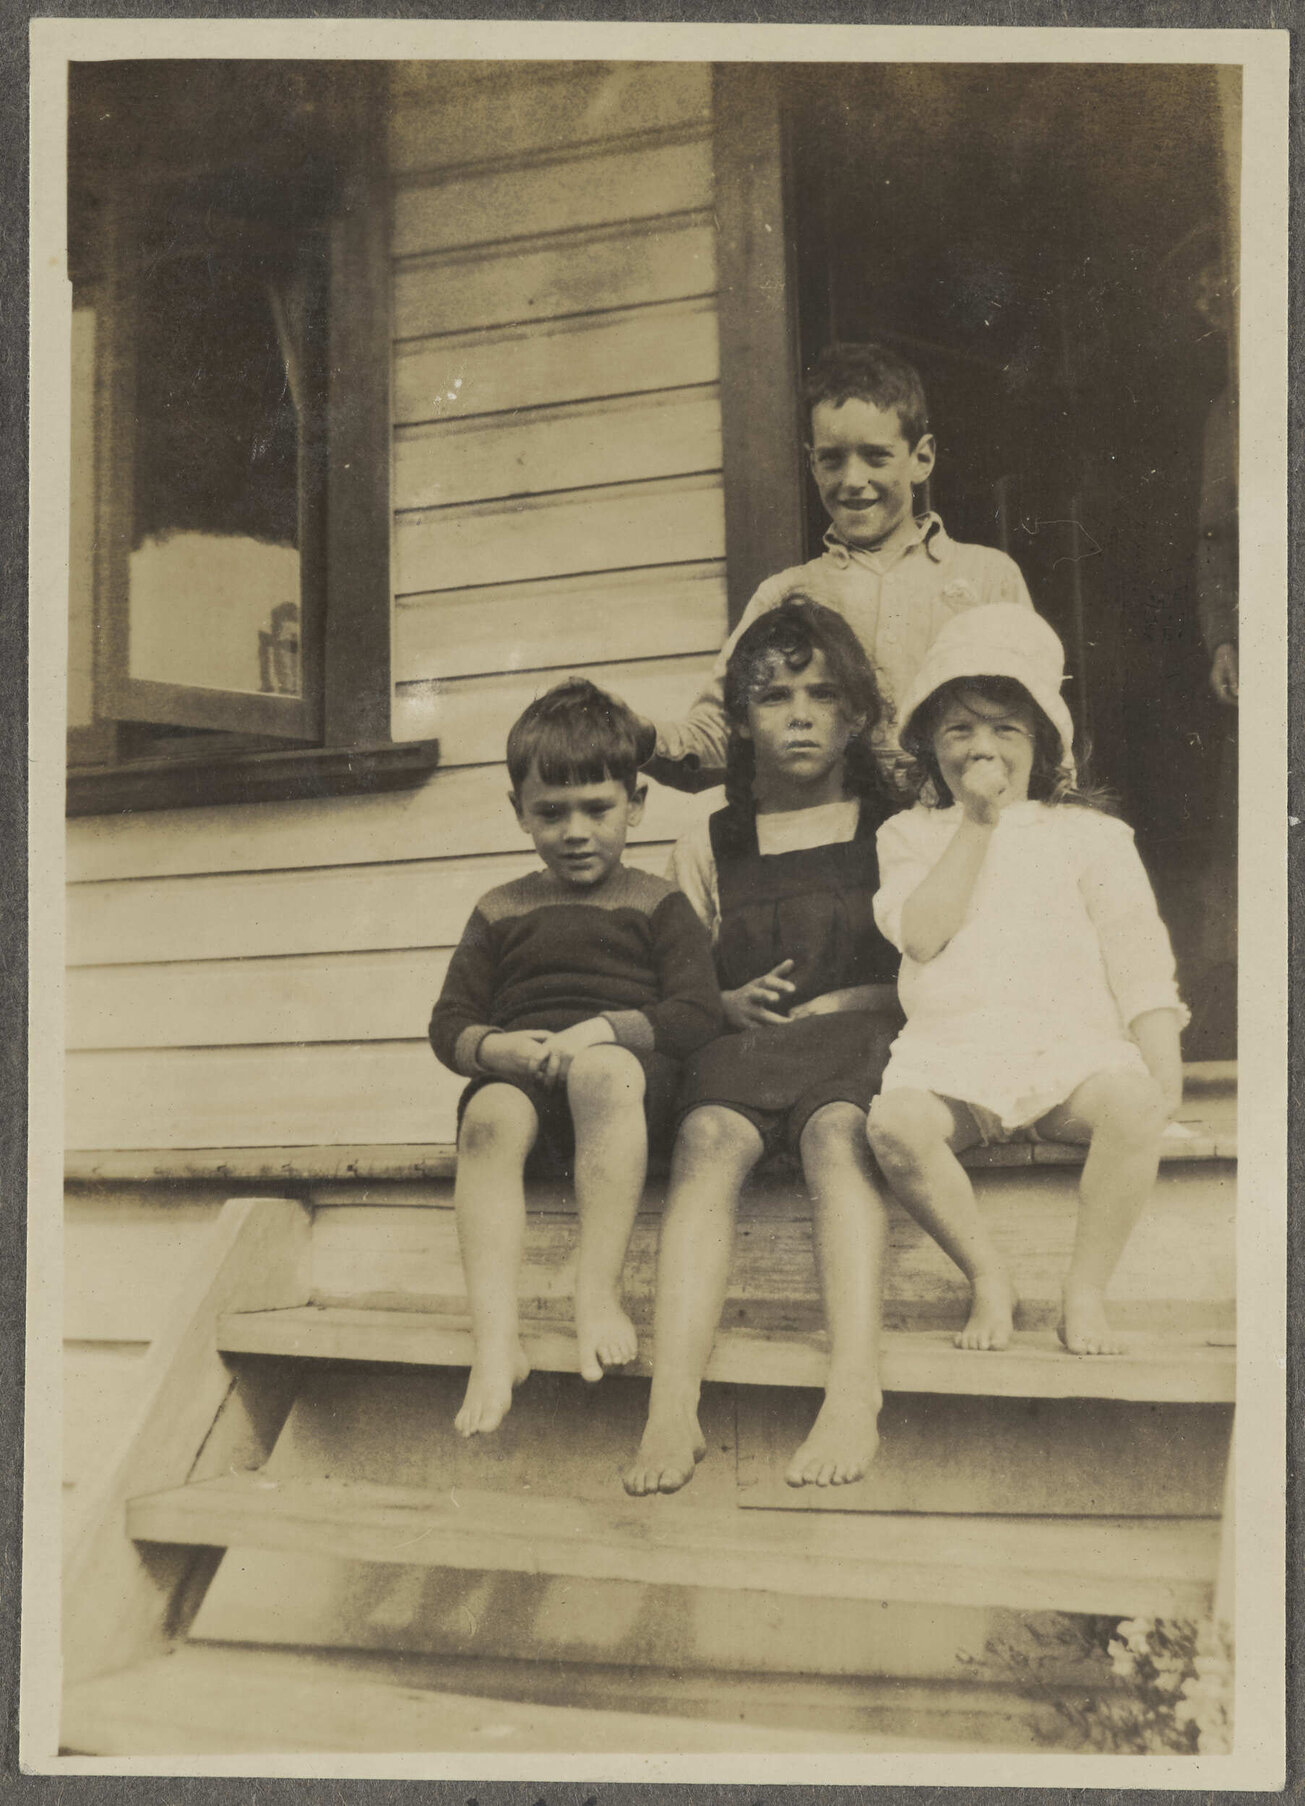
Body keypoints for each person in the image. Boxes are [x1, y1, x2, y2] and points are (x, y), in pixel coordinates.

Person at [624, 600, 902, 1497]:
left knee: (835, 1136)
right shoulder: (709, 833)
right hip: (746, 1044)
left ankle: (853, 1385)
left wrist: (854, 997)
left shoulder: (893, 823)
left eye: (823, 695)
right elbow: (678, 969)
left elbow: (934, 959)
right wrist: (721, 1000)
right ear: (740, 719)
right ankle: (672, 1400)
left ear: (856, 713)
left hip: (862, 1039)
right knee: (704, 1139)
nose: (800, 714)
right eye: (774, 697)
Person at [865, 604, 1187, 1358]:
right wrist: (975, 823)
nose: (982, 748)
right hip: (955, 1061)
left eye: (1004, 729)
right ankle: (987, 1275)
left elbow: (1138, 957)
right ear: (928, 747)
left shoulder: (1089, 836)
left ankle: (1083, 1291)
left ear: (1040, 742)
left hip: (1066, 1060)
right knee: (894, 1125)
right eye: (959, 730)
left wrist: (1160, 1075)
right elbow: (920, 934)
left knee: (1134, 1103)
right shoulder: (909, 836)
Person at [429, 679, 723, 1436]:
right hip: (529, 1084)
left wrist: (601, 1031)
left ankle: (595, 1291)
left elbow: (695, 1013)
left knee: (599, 1071)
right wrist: (494, 1047)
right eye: (550, 813)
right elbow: (450, 1021)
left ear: (637, 804)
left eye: (598, 808)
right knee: (487, 1114)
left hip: (622, 1089)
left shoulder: (659, 903)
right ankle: (495, 1344)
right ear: (517, 812)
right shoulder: (499, 907)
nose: (575, 831)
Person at [638, 341, 1035, 783]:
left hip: (955, 831)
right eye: (831, 459)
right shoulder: (785, 594)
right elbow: (721, 735)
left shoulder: (988, 578)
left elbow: (1037, 728)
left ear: (921, 458)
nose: (852, 480)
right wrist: (639, 736)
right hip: (837, 836)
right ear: (812, 464)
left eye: (875, 456)